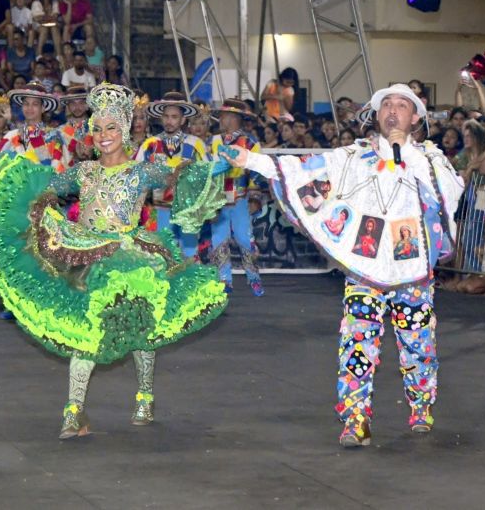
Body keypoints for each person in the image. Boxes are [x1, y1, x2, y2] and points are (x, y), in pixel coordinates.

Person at [0, 83, 229, 439]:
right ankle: (74, 411)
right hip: (85, 256)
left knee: (144, 329)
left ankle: (144, 397)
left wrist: (223, 165)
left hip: (132, 257)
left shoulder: (142, 170)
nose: (103, 135)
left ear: (124, 129)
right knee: (87, 331)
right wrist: (14, 191)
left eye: (111, 127)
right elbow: (47, 186)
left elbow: (179, 174)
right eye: (97, 128)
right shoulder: (85, 172)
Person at [220, 83, 465, 447]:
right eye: (387, 105)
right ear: (376, 114)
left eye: (402, 106)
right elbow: (306, 168)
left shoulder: (429, 158)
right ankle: (355, 418)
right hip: (364, 268)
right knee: (357, 343)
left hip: (411, 269)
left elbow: (452, 190)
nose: (393, 111)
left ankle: (421, 406)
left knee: (417, 343)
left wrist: (407, 154)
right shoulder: (354, 156)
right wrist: (252, 161)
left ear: (415, 118)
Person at [135, 92, 206, 257]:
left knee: (189, 255)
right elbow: (137, 176)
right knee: (163, 254)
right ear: (161, 118)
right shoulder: (150, 144)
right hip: (161, 209)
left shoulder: (196, 144)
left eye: (174, 117)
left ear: (183, 120)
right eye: (166, 116)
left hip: (187, 210)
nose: (169, 121)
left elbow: (208, 176)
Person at [207, 98, 265, 296]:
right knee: (219, 239)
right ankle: (224, 280)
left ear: (237, 118)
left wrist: (255, 197)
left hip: (240, 198)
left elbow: (256, 172)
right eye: (222, 116)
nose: (224, 120)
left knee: (244, 238)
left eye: (228, 116)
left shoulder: (250, 143)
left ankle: (253, 277)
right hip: (218, 199)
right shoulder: (212, 142)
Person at [0, 82, 60, 168]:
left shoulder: (53, 136)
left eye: (35, 104)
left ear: (43, 108)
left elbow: (56, 168)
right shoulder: (11, 136)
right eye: (26, 104)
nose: (29, 108)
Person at [48, 85, 93, 165]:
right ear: (68, 106)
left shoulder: (96, 129)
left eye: (81, 103)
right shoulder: (60, 131)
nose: (77, 107)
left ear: (87, 106)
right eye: (73, 103)